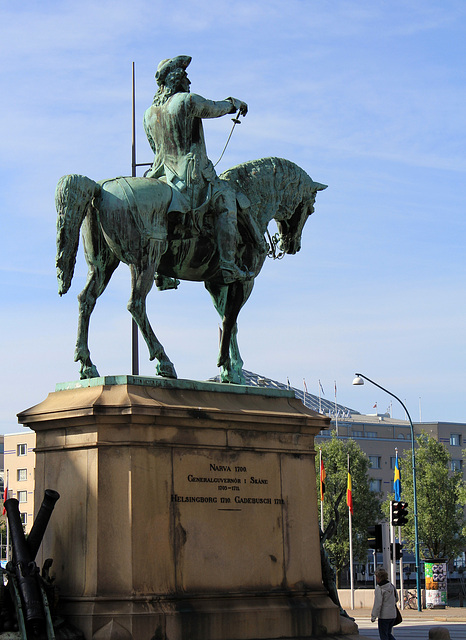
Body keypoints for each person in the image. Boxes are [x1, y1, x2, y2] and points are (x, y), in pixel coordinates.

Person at [143, 55, 255, 284]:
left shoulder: (149, 114)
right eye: (184, 75)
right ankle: (228, 265)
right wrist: (233, 103)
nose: (188, 80)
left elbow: (155, 148)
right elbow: (213, 108)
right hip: (190, 176)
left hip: (162, 176)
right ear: (175, 78)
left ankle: (161, 272)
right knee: (227, 200)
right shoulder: (186, 101)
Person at [371, 567, 398, 640]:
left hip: (384, 616)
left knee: (384, 636)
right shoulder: (391, 586)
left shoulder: (379, 588)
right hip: (393, 615)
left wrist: (373, 616)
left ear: (378, 577)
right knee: (388, 634)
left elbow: (378, 604)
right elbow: (396, 598)